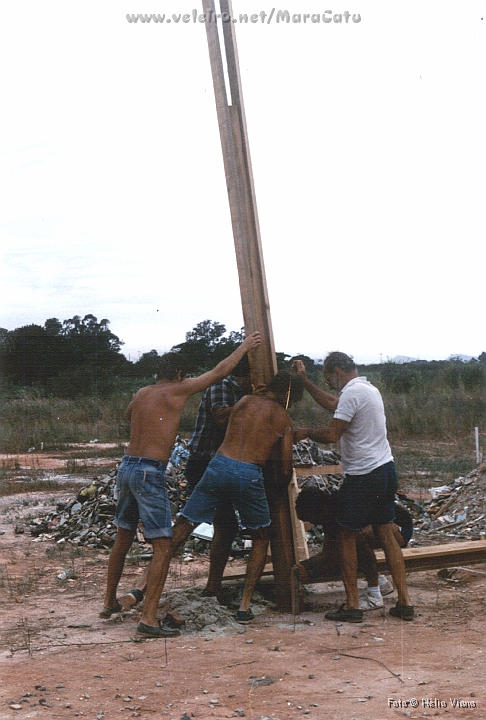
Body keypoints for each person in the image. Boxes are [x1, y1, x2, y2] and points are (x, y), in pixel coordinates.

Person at [99, 331, 261, 637]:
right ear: (179, 374)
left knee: (123, 536)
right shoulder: (178, 389)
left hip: (126, 467)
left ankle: (109, 603)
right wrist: (246, 346)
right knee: (163, 546)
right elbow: (219, 372)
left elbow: (128, 413)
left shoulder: (142, 392)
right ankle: (148, 619)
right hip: (149, 471)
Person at [168, 371, 304, 623]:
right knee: (261, 536)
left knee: (185, 524)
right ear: (288, 394)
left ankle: (147, 589)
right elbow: (285, 468)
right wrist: (275, 493)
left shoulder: (243, 402)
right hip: (248, 473)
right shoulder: (283, 418)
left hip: (218, 464)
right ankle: (244, 605)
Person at [122, 357, 252, 610]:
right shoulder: (221, 387)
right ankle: (141, 590)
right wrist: (251, 403)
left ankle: (211, 587)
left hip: (221, 463)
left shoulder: (145, 392)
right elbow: (221, 415)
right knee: (186, 523)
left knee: (225, 526)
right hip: (204, 463)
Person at [293, 353, 414, 622]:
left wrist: (306, 432)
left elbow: (332, 434)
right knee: (385, 532)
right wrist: (305, 382)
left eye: (329, 379)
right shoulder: (368, 389)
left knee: (345, 534)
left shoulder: (352, 393)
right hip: (386, 470)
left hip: (363, 475)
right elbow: (335, 404)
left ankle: (353, 605)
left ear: (336, 371)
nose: (331, 384)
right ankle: (405, 602)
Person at [295, 488, 413, 609]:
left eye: (312, 519)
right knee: (348, 547)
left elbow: (338, 551)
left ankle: (375, 595)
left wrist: (312, 570)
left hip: (400, 526)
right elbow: (329, 553)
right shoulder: (328, 516)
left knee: (357, 540)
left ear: (321, 509)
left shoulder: (343, 507)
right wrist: (306, 567)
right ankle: (379, 581)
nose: (314, 524)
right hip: (380, 527)